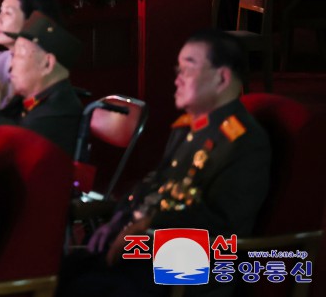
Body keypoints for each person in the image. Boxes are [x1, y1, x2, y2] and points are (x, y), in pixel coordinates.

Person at [62, 30, 271, 296]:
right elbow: (156, 183)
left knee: (88, 287)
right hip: (154, 245)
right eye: (178, 69)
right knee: (64, 270)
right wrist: (120, 220)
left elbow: (221, 223)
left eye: (188, 70)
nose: (177, 80)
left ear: (222, 78)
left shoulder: (244, 141)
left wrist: (146, 227)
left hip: (195, 265)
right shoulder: (188, 127)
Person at [0, 11, 83, 157]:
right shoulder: (34, 100)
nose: (10, 65)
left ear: (47, 63)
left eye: (19, 54)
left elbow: (7, 148)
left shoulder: (56, 112)